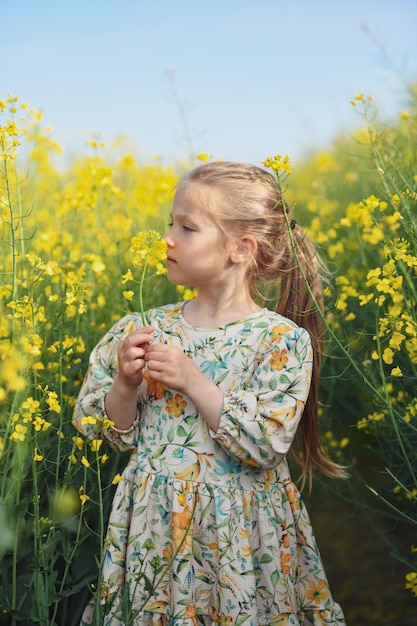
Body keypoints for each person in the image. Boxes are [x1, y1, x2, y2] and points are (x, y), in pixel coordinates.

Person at [73, 161, 347, 625]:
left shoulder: (279, 340)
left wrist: (193, 380)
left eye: (187, 227)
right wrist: (125, 383)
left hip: (238, 529)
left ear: (241, 248)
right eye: (170, 223)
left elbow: (265, 445)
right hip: (155, 524)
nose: (168, 238)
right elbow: (105, 430)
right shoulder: (144, 327)